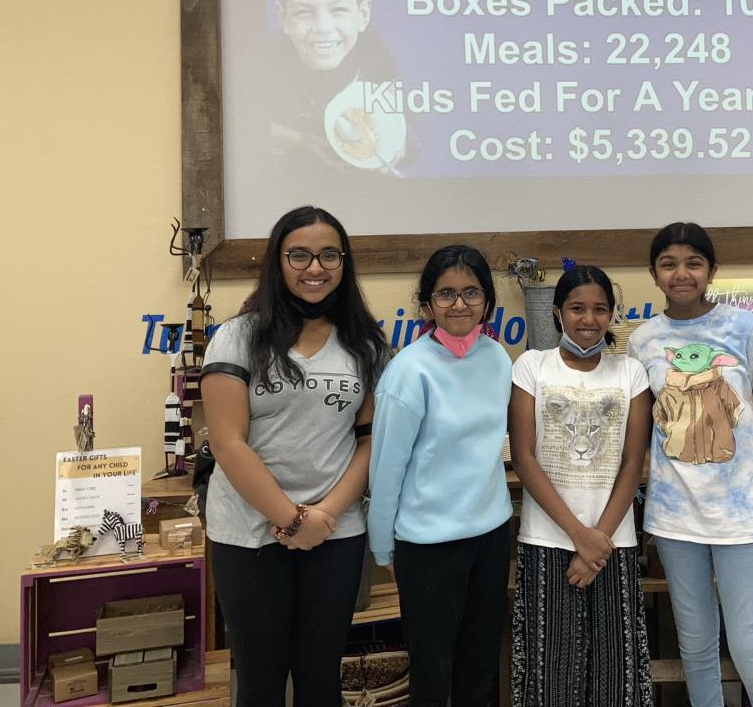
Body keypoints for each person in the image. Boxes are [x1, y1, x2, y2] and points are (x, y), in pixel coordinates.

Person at [200, 206, 390, 707]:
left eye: (329, 255)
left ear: (344, 263)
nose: (315, 268)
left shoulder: (365, 345)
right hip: (249, 535)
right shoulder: (238, 337)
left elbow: (369, 440)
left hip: (334, 533)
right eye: (299, 255)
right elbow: (228, 442)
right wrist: (292, 520)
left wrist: (323, 517)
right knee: (260, 683)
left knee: (321, 678)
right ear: (278, 262)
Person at [626, 222, 753, 707]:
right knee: (696, 647)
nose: (682, 274)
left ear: (712, 271)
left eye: (693, 263)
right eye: (669, 264)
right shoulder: (643, 340)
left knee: (751, 647)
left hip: (744, 518)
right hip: (676, 518)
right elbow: (645, 423)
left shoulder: (744, 327)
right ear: (654, 273)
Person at [368, 245, 512, 707]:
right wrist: (383, 545)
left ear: (487, 301)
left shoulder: (497, 358)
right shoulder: (409, 371)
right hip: (428, 545)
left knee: (480, 668)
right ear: (427, 305)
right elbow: (386, 467)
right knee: (432, 675)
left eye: (471, 292)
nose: (459, 304)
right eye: (446, 294)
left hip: (490, 536)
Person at [508, 265, 654, 707]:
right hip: (547, 539)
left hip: (613, 543)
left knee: (616, 675)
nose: (588, 319)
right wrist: (579, 535)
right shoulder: (532, 366)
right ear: (557, 313)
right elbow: (524, 458)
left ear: (611, 315)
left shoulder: (631, 372)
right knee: (550, 674)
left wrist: (598, 541)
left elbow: (632, 463)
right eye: (577, 308)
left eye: (599, 309)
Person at [265, 0, 402, 174]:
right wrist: (299, 141)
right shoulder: (267, 58)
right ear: (283, 17)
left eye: (338, 10)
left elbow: (392, 107)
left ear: (363, 15)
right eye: (304, 12)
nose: (323, 28)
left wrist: (396, 141)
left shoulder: (373, 51)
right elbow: (250, 125)